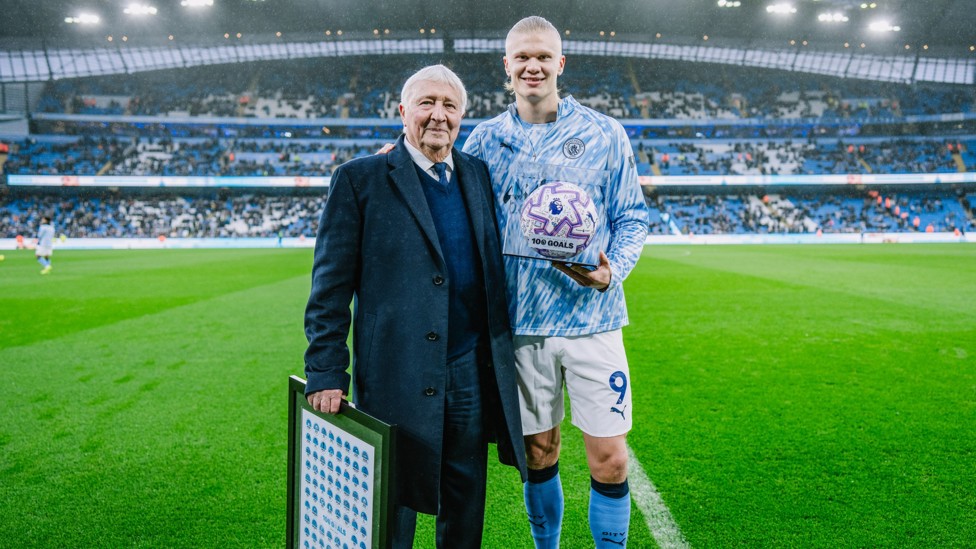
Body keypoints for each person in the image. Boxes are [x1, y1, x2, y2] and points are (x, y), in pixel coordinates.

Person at [303, 64, 527, 549]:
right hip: (395, 370)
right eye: (427, 103)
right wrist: (325, 371)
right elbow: (329, 289)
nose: (438, 115)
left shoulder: (477, 175)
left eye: (450, 106)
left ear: (462, 116)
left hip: (468, 369)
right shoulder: (359, 179)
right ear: (403, 111)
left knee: (465, 502)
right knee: (391, 505)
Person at [462, 16, 650, 549]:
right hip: (521, 326)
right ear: (507, 66)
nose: (533, 66)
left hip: (594, 320)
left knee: (610, 459)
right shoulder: (484, 141)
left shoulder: (604, 133)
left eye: (543, 56)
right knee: (539, 454)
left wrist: (613, 270)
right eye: (522, 57)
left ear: (560, 63)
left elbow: (633, 218)